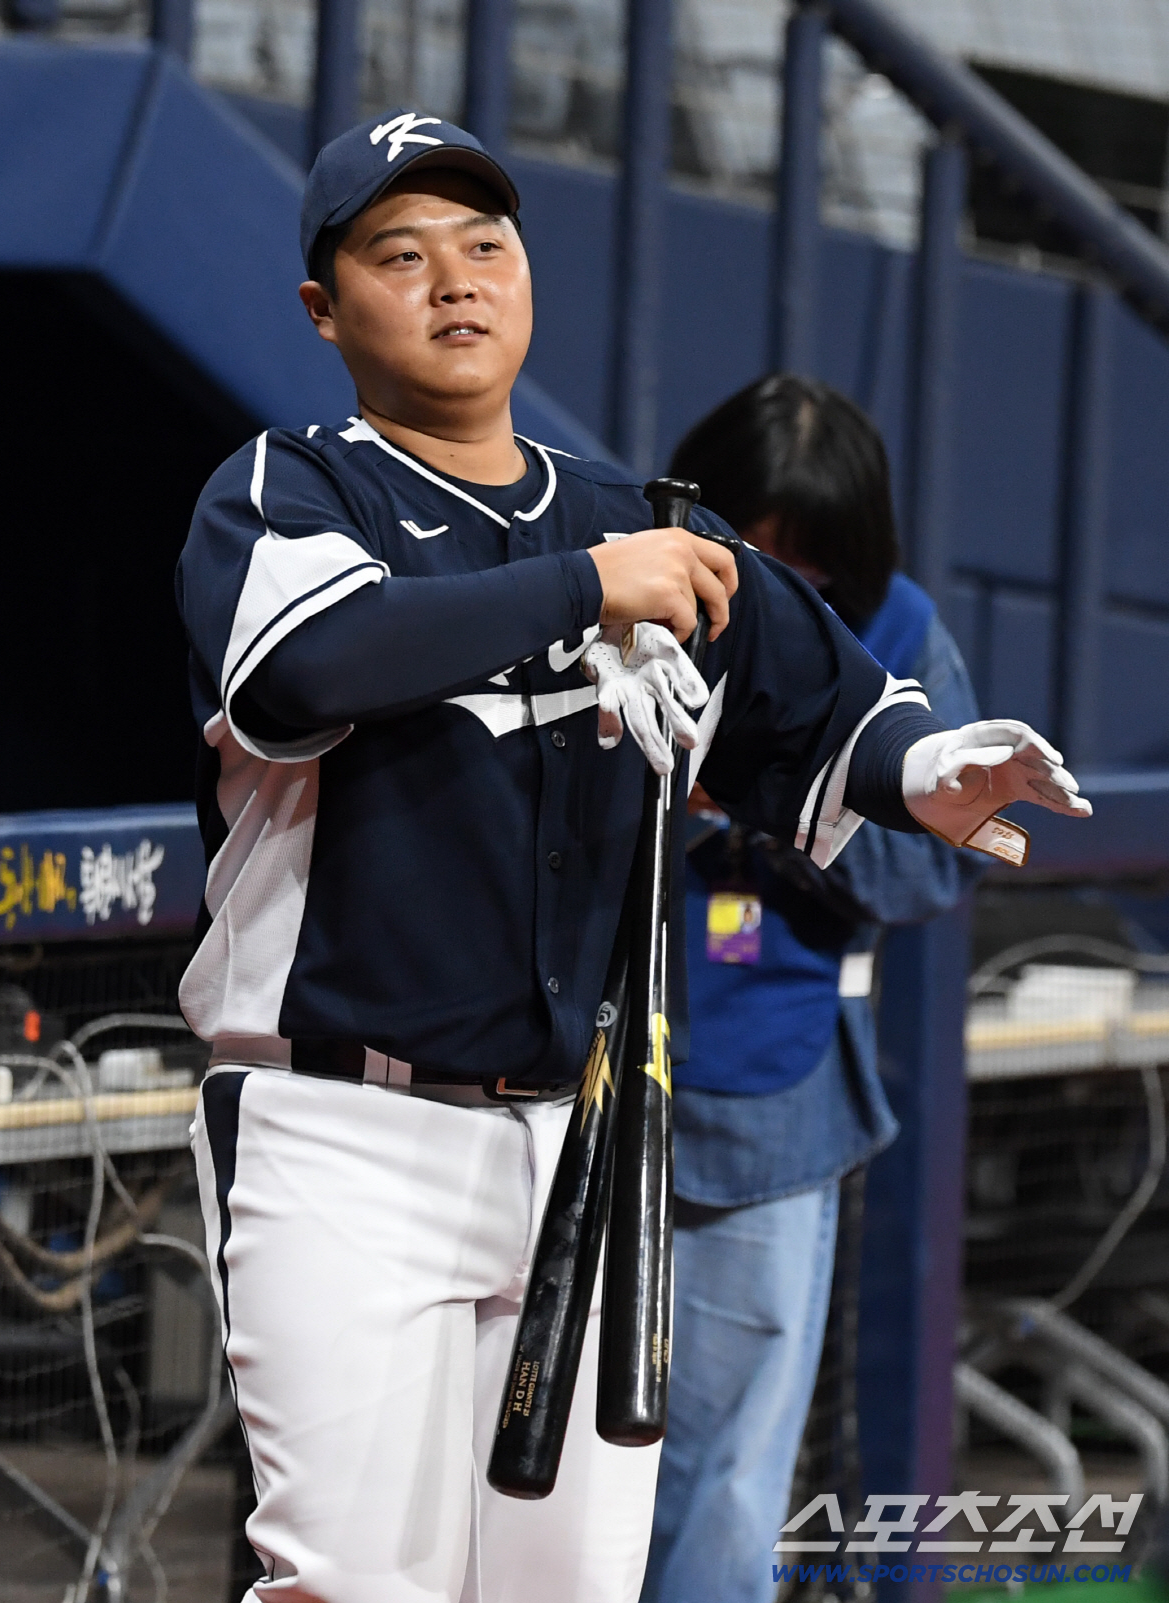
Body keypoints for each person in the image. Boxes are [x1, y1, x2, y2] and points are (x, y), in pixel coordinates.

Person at [174, 111, 1089, 1603]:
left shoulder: (632, 517)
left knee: (570, 1586)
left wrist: (926, 767)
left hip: (583, 1143)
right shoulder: (292, 489)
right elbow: (308, 664)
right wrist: (591, 592)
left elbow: (821, 695)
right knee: (349, 1579)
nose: (455, 281)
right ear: (325, 309)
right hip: (341, 1123)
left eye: (485, 246)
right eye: (401, 255)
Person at [641, 374, 986, 1603]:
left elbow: (927, 864)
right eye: (750, 552)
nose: (780, 588)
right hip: (559, 1078)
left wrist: (767, 802)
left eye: (811, 567)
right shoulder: (626, 585)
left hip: (765, 1089)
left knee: (723, 1472)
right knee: (540, 1464)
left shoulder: (898, 636)